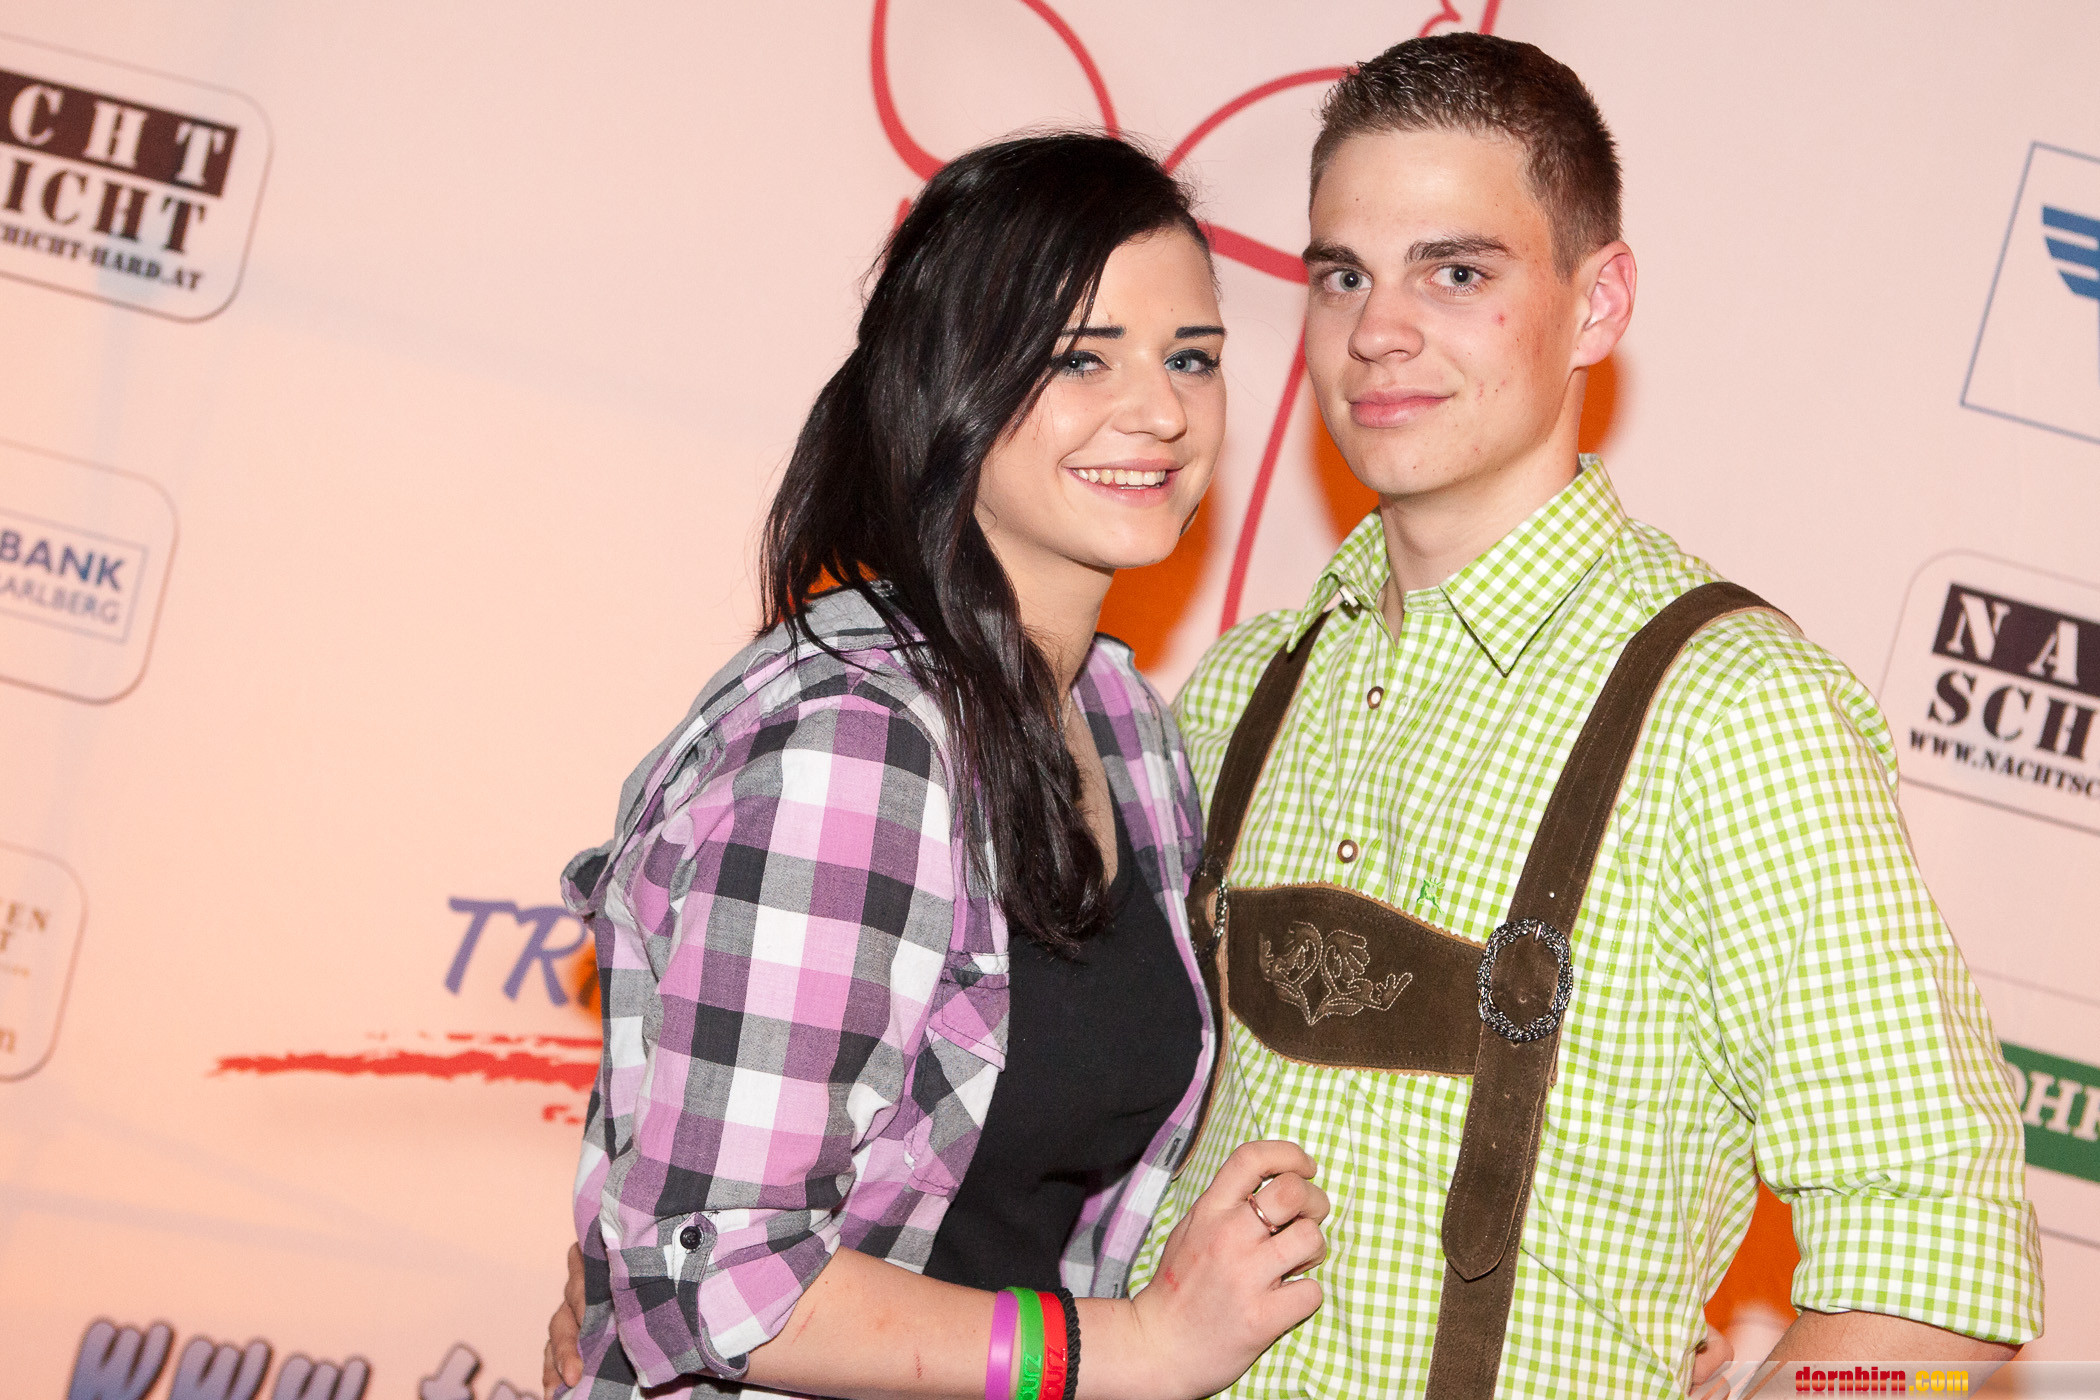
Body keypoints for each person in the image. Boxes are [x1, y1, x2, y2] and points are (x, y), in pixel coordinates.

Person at [1130, 31, 2043, 1400]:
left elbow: (1940, 1257)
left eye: (1457, 272)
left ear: (1598, 303)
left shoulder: (1734, 713)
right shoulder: (1241, 686)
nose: (1378, 331)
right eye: (1343, 275)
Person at [545, 133, 1334, 1400]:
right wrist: (1137, 1346)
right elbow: (717, 1283)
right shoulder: (855, 744)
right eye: (1082, 357)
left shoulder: (1127, 726)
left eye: (1191, 356)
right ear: (954, 378)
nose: (1162, 410)